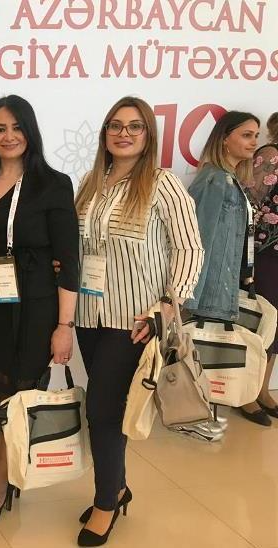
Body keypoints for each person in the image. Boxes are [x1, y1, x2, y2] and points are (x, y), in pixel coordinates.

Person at [73, 96, 204, 546]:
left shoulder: (164, 184)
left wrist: (166, 306)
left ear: (149, 134)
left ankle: (106, 502)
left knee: (102, 411)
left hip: (134, 320)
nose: (123, 133)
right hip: (88, 314)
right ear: (105, 133)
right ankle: (118, 485)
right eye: (115, 125)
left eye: (134, 126)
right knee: (108, 406)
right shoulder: (90, 182)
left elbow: (189, 248)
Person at [0, 95, 79, 523]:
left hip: (36, 305)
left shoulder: (54, 183)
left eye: (17, 128)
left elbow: (68, 259)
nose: (9, 136)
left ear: (30, 132)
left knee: (23, 391)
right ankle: (9, 465)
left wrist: (64, 325)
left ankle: (1, 477)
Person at [185, 111, 266, 425]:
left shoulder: (230, 179)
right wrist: (191, 294)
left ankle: (205, 417)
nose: (254, 142)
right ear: (224, 139)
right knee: (202, 355)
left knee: (214, 356)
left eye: (256, 135)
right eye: (246, 135)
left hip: (226, 283)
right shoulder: (215, 180)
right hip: (211, 287)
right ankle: (194, 417)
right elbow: (199, 240)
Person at [244, 112, 278, 419]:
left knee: (276, 327)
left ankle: (263, 390)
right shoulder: (269, 156)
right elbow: (249, 200)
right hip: (267, 252)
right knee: (261, 322)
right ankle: (246, 393)